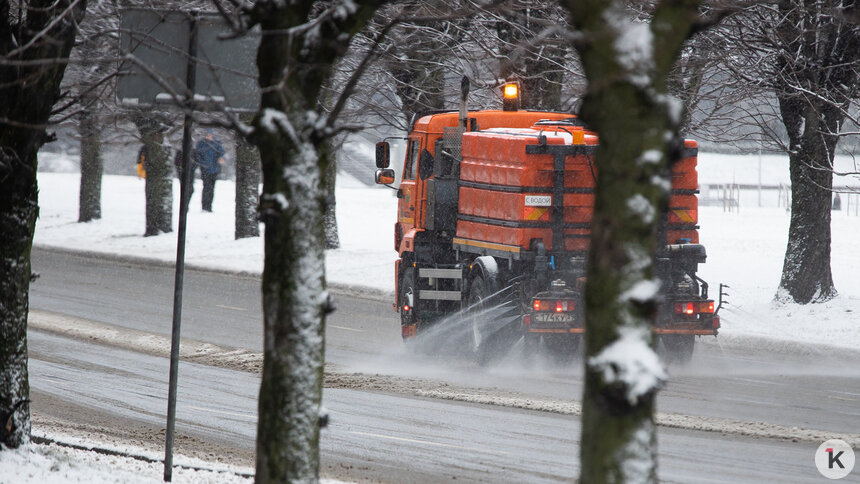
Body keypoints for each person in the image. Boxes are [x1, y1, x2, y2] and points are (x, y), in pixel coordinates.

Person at [193, 129, 225, 212]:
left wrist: (221, 158)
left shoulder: (217, 143)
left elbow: (221, 153)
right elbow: (198, 156)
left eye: (210, 135)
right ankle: (204, 206)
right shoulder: (201, 144)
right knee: (206, 187)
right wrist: (203, 164)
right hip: (205, 170)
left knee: (211, 188)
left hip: (214, 169)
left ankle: (209, 206)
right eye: (208, 135)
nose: (209, 136)